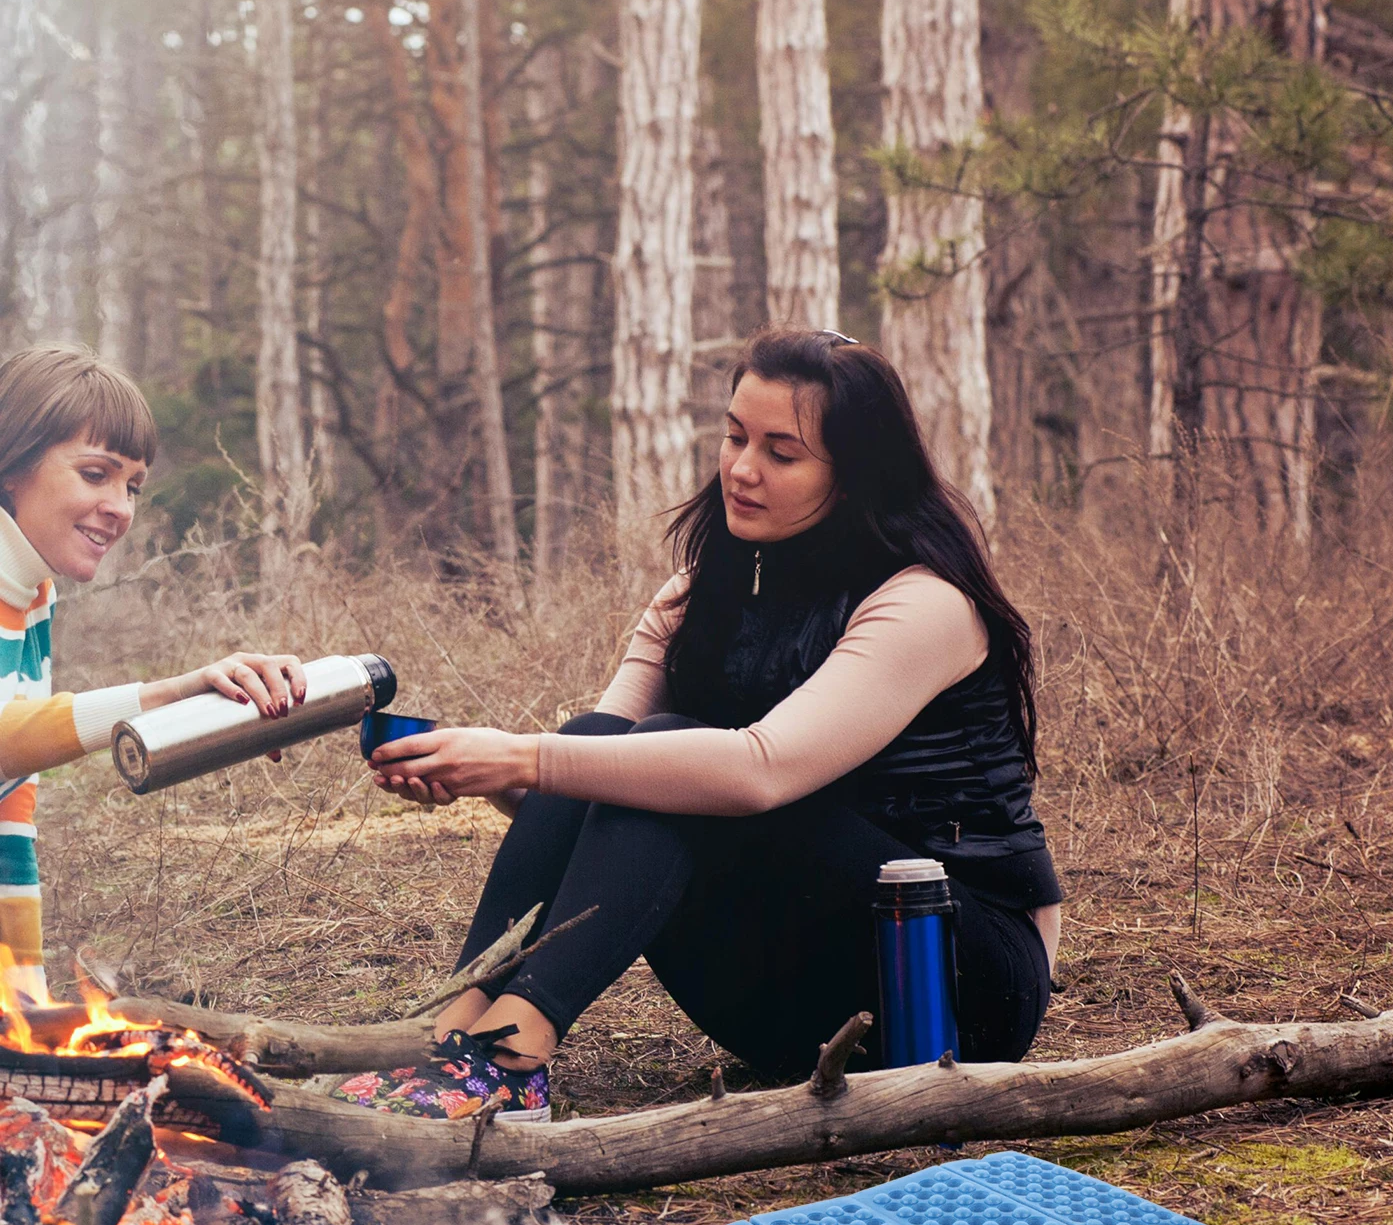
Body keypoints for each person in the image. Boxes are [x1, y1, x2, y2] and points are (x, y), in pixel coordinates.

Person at [352, 329, 1061, 1123]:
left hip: (952, 990)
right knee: (596, 737)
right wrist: (475, 771)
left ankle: (511, 1061)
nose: (741, 468)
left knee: (649, 754)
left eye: (781, 453)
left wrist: (521, 757)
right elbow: (589, 785)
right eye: (733, 436)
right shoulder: (694, 595)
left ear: (859, 474)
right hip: (789, 1005)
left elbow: (758, 769)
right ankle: (447, 1039)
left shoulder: (922, 603)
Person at [0, 345, 306, 1000]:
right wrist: (173, 691)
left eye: (132, 486)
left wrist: (18, 1013)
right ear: (12, 464)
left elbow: (10, 805)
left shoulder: (31, 593)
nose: (120, 508)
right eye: (94, 474)